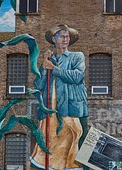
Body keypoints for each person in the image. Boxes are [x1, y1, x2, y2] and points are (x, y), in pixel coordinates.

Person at [30, 24, 88, 170]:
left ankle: (73, 166)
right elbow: (39, 85)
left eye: (67, 36)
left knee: (73, 134)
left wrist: (54, 69)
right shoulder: (49, 59)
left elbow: (78, 76)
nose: (65, 39)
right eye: (62, 36)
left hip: (70, 105)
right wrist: (44, 67)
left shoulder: (77, 56)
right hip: (50, 107)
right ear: (54, 39)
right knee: (50, 138)